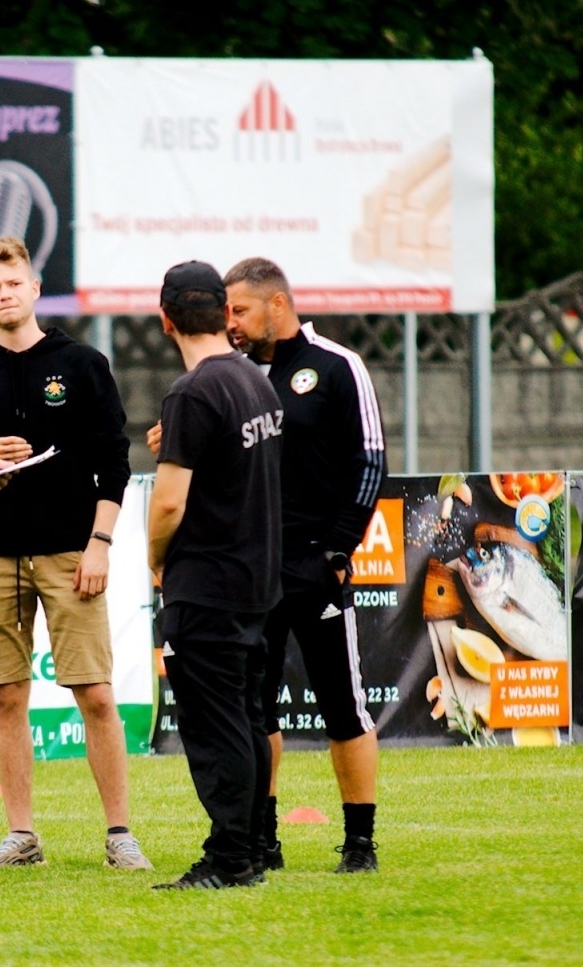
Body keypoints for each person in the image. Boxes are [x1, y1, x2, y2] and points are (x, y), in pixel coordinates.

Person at [0, 236, 151, 872]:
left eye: (14, 283)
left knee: (96, 695)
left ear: (34, 289)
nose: (4, 294)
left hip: (71, 552)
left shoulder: (82, 363)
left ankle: (119, 835)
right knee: (7, 696)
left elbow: (116, 462)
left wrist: (101, 543)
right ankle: (21, 836)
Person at [223, 256, 385, 873]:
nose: (231, 323)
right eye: (227, 312)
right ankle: (263, 840)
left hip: (316, 565)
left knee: (343, 705)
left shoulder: (339, 366)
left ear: (277, 305)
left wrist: (340, 551)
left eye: (240, 310)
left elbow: (370, 463)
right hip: (252, 570)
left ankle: (360, 843)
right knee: (255, 710)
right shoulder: (232, 376)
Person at [146, 260, 283, 891]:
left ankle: (230, 858)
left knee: (216, 724)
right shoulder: (255, 382)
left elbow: (170, 501)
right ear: (224, 315)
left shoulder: (192, 392)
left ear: (167, 319)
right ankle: (249, 847)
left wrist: (153, 558)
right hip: (256, 579)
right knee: (248, 719)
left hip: (207, 583)